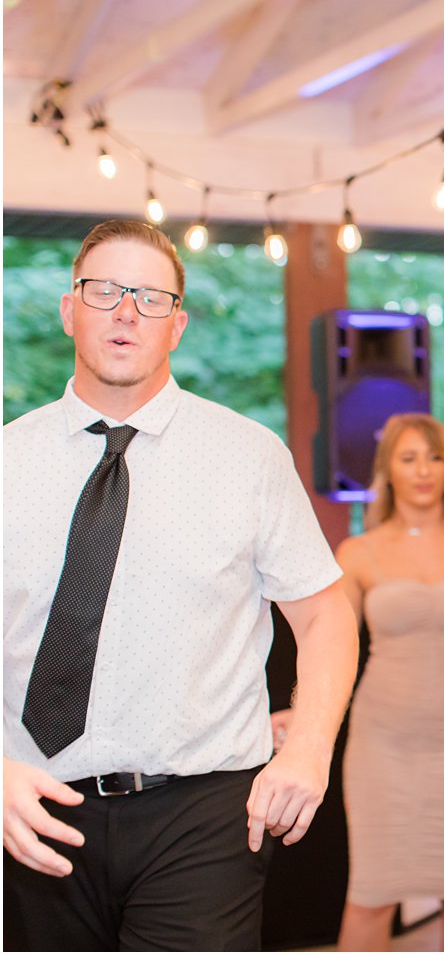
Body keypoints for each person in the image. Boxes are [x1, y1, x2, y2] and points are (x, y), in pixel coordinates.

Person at [3, 220, 358, 949]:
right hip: (30, 802)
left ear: (179, 325)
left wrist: (311, 746)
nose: (126, 311)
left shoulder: (249, 457)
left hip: (202, 812)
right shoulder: (8, 462)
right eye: (104, 291)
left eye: (151, 297)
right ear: (70, 309)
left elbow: (326, 616)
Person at [328, 413, 444, 951]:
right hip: (383, 739)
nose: (423, 470)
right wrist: (306, 713)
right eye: (408, 459)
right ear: (388, 472)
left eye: (434, 458)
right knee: (372, 891)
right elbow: (334, 647)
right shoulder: (358, 552)